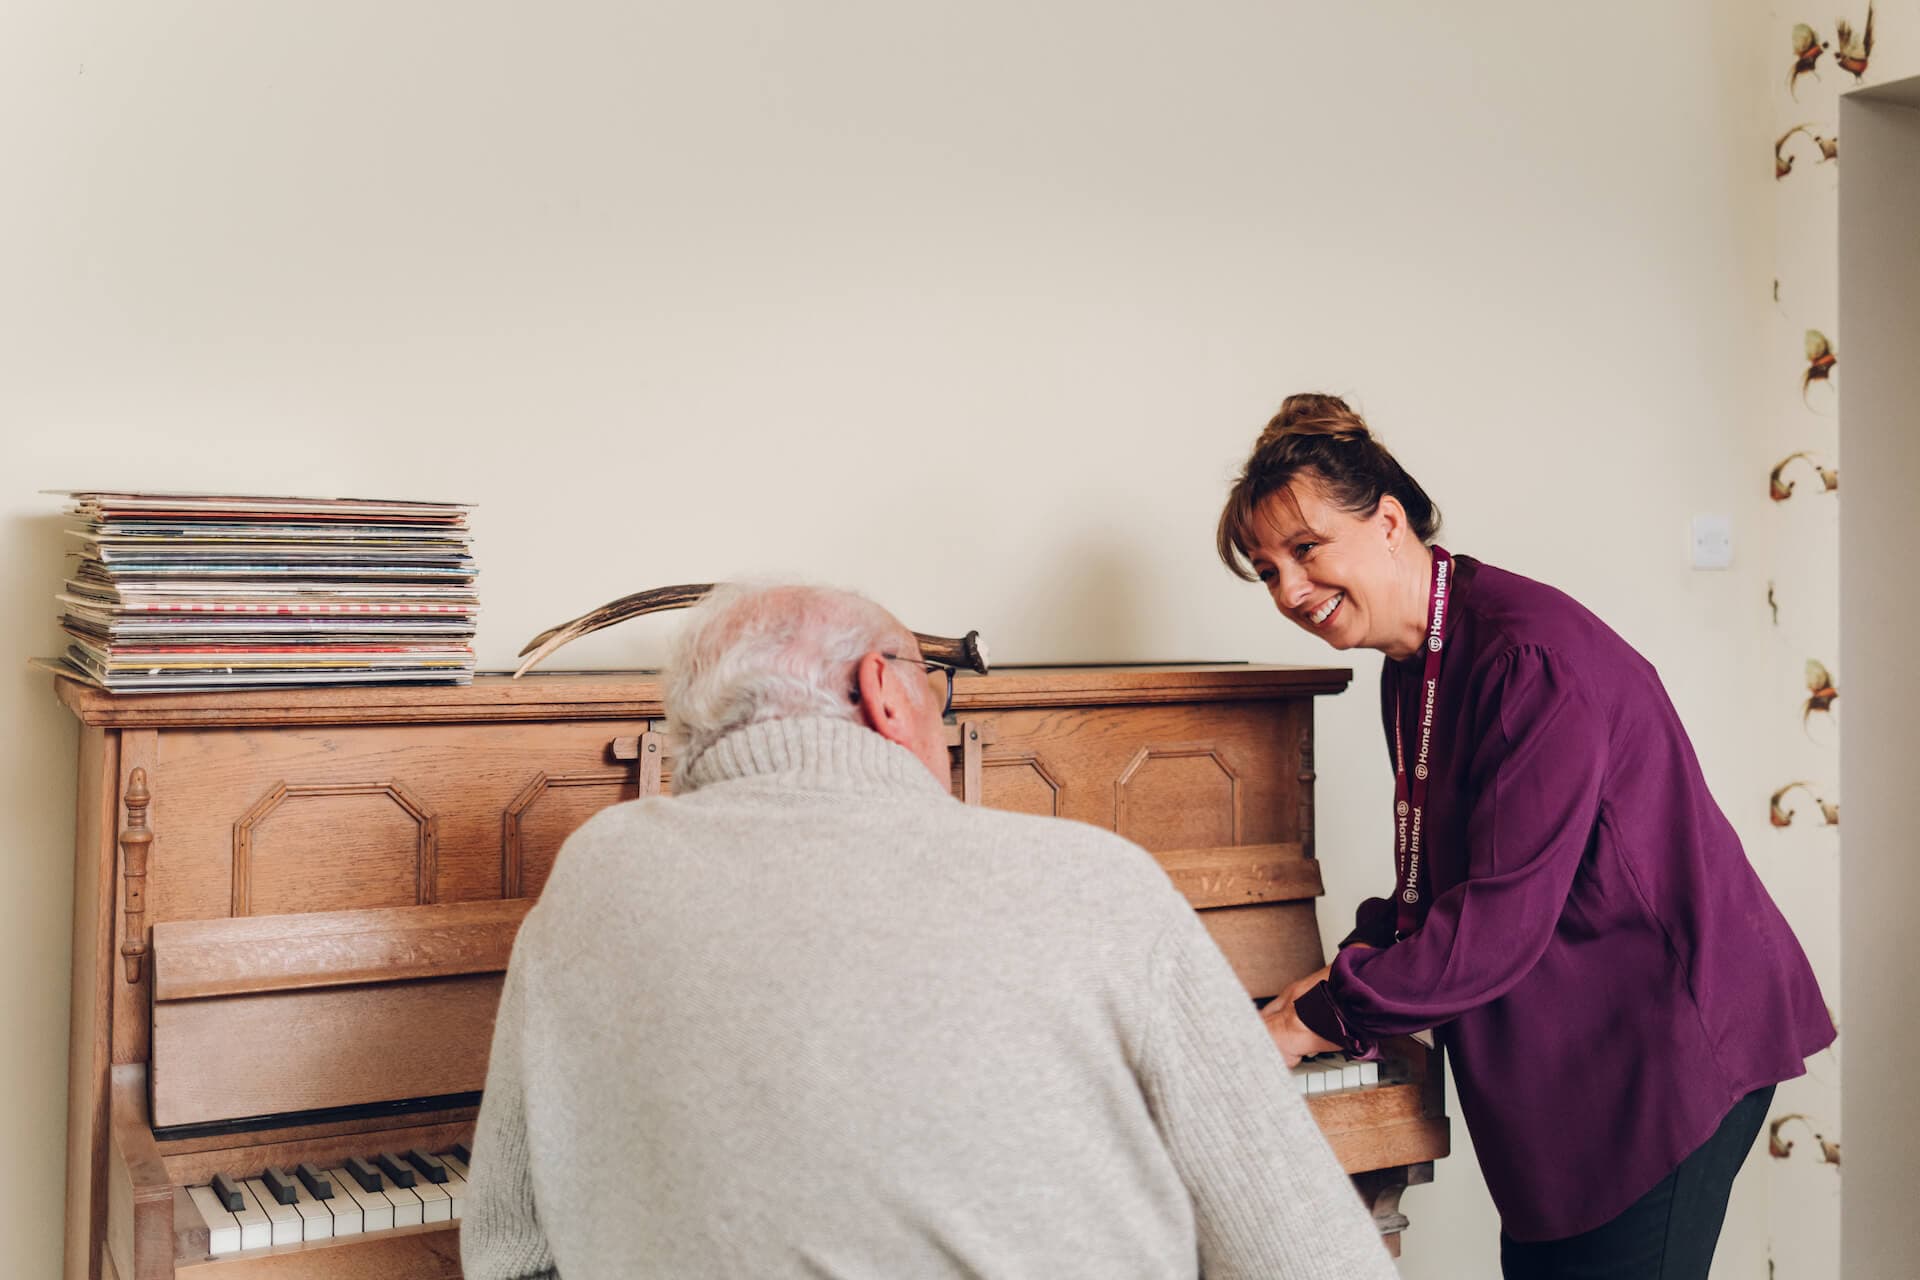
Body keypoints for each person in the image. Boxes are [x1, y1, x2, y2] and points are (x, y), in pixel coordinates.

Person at [462, 582, 1397, 1280]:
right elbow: (1311, 1258)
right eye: (938, 687)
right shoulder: (1095, 881)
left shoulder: (590, 877)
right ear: (886, 692)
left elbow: (508, 1255)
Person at [1216, 394, 1836, 1279]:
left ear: (1388, 522)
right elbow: (1442, 882)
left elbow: (1494, 926)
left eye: (1304, 551)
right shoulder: (1415, 658)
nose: (1289, 591)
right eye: (1266, 569)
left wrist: (1314, 1016)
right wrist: (1343, 966)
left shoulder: (1524, 656)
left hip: (1661, 1045)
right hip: (1578, 1055)